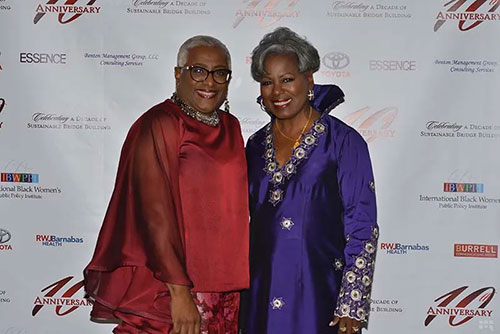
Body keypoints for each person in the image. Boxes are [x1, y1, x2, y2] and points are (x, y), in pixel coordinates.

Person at [84, 35, 249, 334]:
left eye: (220, 72)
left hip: (225, 291)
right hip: (171, 288)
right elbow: (154, 215)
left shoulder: (231, 126)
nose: (209, 81)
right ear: (178, 73)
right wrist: (180, 293)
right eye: (198, 70)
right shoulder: (159, 124)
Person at [239, 27, 378, 334]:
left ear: (309, 79)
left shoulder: (343, 142)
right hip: (259, 297)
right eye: (267, 82)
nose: (277, 91)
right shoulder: (254, 145)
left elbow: (363, 225)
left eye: (287, 79)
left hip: (318, 298)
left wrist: (351, 305)